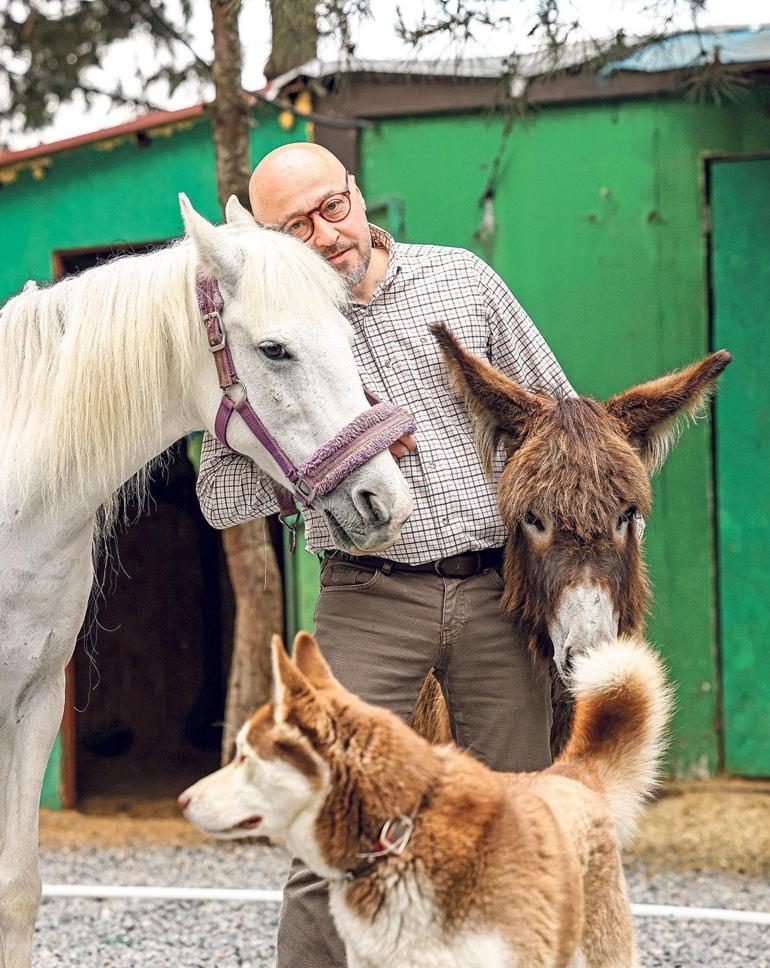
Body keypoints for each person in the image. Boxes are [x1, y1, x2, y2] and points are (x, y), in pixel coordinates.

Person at [196, 142, 574, 967]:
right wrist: (323, 466)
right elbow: (220, 497)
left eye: (333, 207)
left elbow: (561, 417)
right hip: (367, 595)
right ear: (265, 237)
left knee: (518, 814)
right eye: (294, 227)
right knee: (323, 814)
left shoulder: (462, 281)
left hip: (493, 591)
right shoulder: (266, 325)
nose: (326, 234)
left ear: (359, 195)